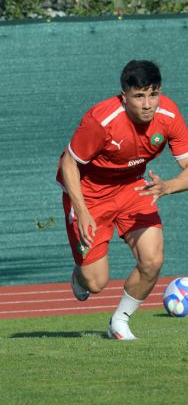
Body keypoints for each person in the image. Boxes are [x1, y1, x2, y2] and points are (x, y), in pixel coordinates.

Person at [57, 60, 188, 340]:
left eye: (153, 94)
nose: (147, 104)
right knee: (95, 283)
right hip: (89, 193)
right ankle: (80, 275)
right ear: (124, 95)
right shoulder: (101, 120)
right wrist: (82, 210)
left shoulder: (169, 115)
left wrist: (169, 186)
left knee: (152, 261)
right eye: (139, 96)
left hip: (132, 189)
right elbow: (69, 163)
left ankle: (119, 321)